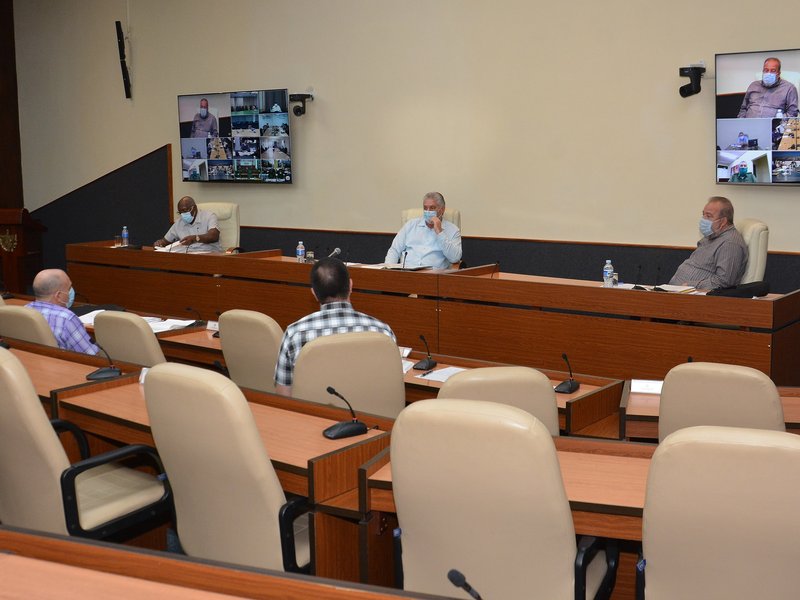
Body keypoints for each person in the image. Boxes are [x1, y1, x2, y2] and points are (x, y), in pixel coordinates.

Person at [274, 257, 396, 396]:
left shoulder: (294, 334)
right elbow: (392, 387)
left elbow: (283, 395)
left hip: (313, 416)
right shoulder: (383, 332)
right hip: (369, 416)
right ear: (350, 286)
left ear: (314, 293)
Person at [669, 197, 748, 290]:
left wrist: (690, 285)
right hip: (677, 292)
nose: (703, 219)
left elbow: (724, 282)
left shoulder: (730, 244)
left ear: (723, 221)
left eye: (709, 216)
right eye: (703, 215)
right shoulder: (712, 235)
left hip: (695, 297)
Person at [26, 269, 98, 355]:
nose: (71, 291)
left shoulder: (25, 311)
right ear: (59, 295)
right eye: (69, 288)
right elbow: (92, 355)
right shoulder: (67, 319)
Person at [384, 192, 462, 270]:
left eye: (432, 208)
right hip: (407, 274)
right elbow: (394, 250)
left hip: (434, 277)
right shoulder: (411, 225)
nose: (428, 211)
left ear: (442, 210)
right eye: (425, 208)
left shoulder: (453, 230)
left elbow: (455, 258)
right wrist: (389, 271)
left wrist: (440, 232)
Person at [153, 196, 222, 252]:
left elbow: (214, 236)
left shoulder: (209, 216)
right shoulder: (179, 223)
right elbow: (165, 241)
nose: (183, 214)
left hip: (208, 254)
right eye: (180, 212)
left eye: (185, 211)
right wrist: (159, 243)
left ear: (194, 208)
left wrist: (195, 238)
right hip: (188, 256)